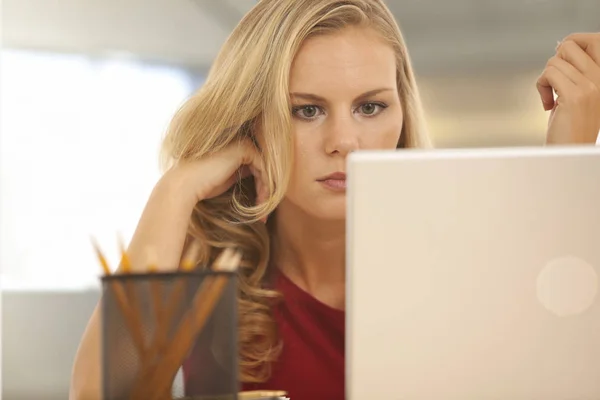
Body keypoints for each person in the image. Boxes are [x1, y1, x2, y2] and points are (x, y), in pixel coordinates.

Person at [70, 0, 600, 399]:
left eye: (370, 108)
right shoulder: (207, 265)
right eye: (306, 110)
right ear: (250, 121)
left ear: (400, 114)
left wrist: (566, 161)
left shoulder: (460, 262)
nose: (343, 141)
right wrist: (175, 190)